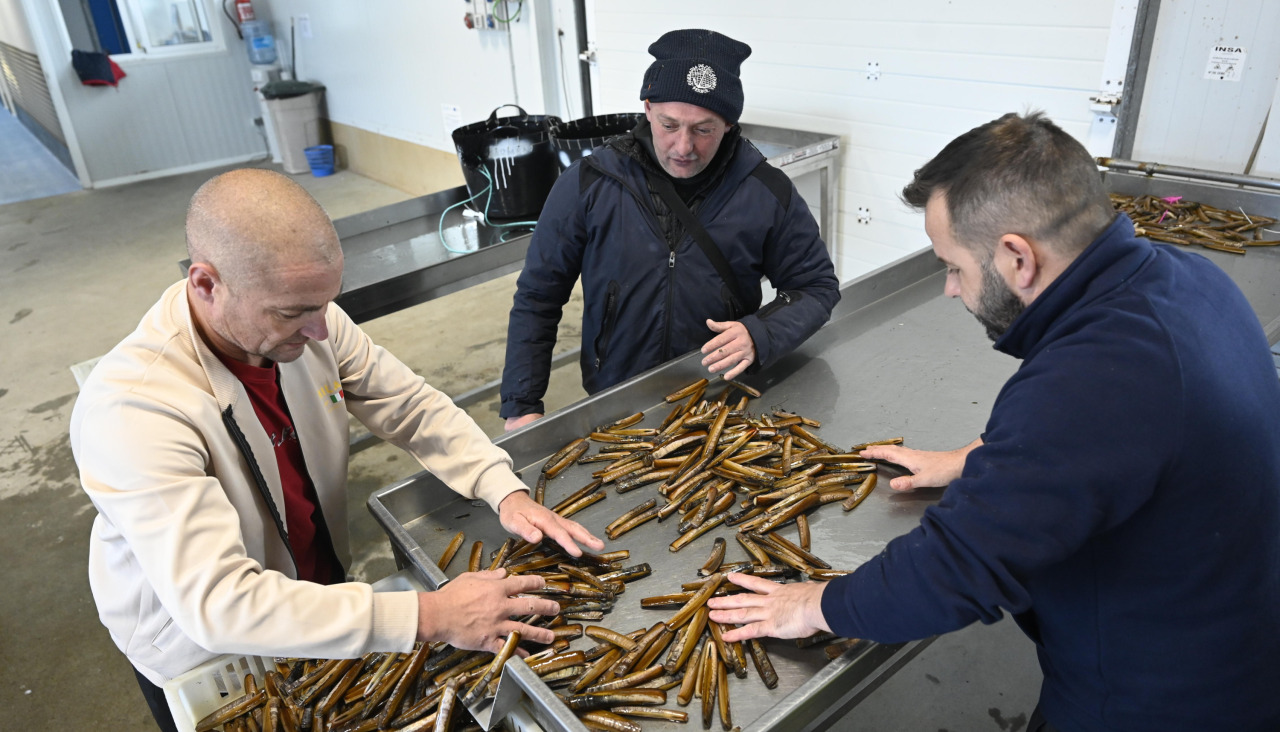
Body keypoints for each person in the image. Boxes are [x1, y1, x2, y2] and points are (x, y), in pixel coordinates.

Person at [707, 112, 1280, 732]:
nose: (951, 289)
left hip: (1164, 697)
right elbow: (1119, 436)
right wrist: (980, 456)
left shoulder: (1093, 378)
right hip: (1237, 631)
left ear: (1016, 258)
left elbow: (960, 569)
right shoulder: (1181, 277)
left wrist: (819, 602)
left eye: (953, 266)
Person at [70, 169, 604, 732]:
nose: (321, 330)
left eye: (326, 303)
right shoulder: (133, 410)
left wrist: (503, 489)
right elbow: (220, 604)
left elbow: (412, 406)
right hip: (208, 653)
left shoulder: (308, 317)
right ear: (206, 284)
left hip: (316, 595)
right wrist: (431, 614)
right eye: (292, 312)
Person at [500, 29, 840, 431]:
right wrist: (521, 404)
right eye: (669, 124)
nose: (683, 147)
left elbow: (816, 287)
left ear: (729, 124)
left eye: (703, 129)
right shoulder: (588, 184)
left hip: (723, 403)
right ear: (647, 108)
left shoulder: (766, 191)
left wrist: (761, 333)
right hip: (616, 402)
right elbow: (539, 296)